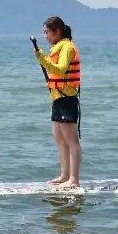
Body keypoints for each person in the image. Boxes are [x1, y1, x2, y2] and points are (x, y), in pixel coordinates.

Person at [34, 16, 81, 188]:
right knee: (59, 138)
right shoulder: (57, 48)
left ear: (57, 31)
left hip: (67, 99)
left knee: (72, 141)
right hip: (57, 98)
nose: (45, 36)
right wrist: (43, 58)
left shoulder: (67, 48)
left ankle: (74, 179)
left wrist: (42, 60)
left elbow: (61, 70)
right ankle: (64, 175)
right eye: (44, 32)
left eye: (47, 32)